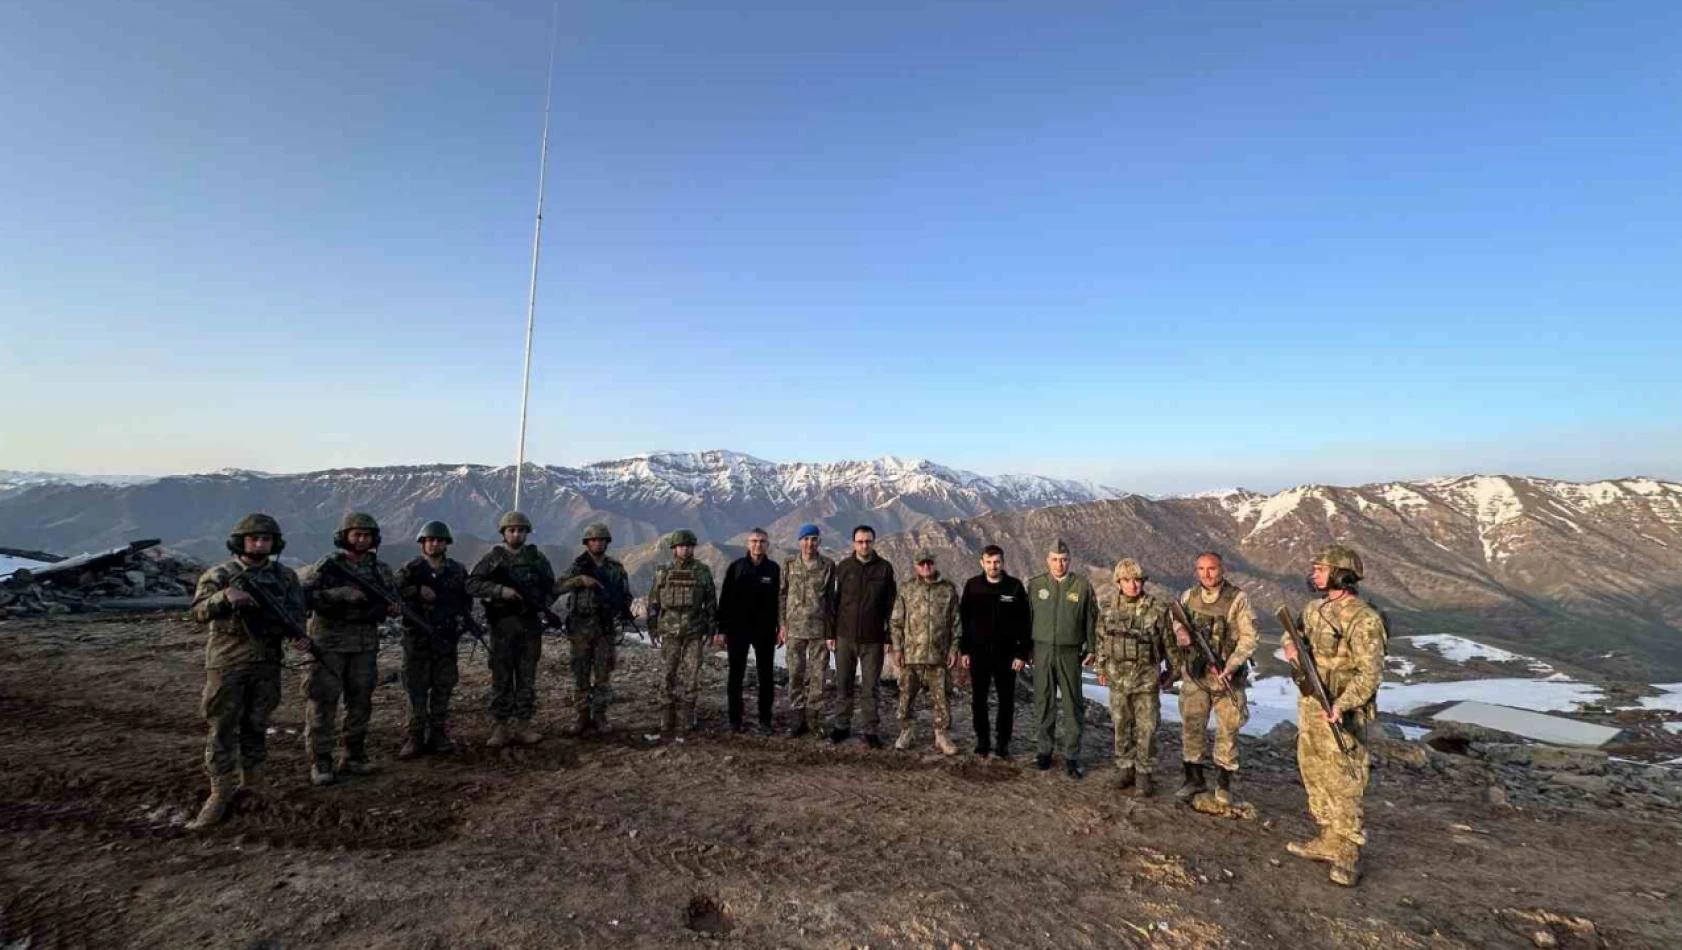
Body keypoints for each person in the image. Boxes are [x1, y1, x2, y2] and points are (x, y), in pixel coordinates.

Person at [185, 513, 307, 829]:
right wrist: (224, 597)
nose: (259, 543)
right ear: (240, 542)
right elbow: (197, 611)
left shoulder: (285, 577)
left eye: (265, 539)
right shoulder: (220, 575)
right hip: (227, 661)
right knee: (223, 725)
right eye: (253, 538)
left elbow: (295, 615)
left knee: (257, 722)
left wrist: (299, 636)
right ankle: (220, 791)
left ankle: (254, 781)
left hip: (266, 661)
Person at [1283, 545, 1387, 887]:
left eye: (1320, 568)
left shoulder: (1364, 618)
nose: (1314, 574)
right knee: (1313, 769)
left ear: (1342, 574)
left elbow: (1369, 673)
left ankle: (1348, 849)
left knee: (1345, 777)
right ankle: (1327, 836)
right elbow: (1293, 632)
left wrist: (1343, 704)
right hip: (1312, 703)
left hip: (1342, 709)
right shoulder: (1314, 609)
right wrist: (1289, 646)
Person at [302, 512, 401, 785]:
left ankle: (354, 755)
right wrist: (340, 594)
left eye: (367, 535)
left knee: (360, 702)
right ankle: (321, 760)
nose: (361, 539)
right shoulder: (328, 565)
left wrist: (392, 608)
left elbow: (393, 599)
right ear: (344, 537)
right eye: (356, 534)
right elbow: (303, 596)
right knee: (323, 701)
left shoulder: (380, 569)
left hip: (364, 644)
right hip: (329, 643)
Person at [1172, 552, 1259, 804]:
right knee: (1192, 725)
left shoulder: (1237, 599)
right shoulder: (1189, 596)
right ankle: (1193, 779)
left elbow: (1249, 637)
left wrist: (1230, 666)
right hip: (1197, 676)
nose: (1206, 574)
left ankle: (1223, 784)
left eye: (1211, 569)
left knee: (1228, 729)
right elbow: (1175, 618)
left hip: (1226, 677)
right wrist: (1181, 633)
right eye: (1201, 569)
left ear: (1222, 569)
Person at [466, 511, 556, 748]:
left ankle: (524, 724)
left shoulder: (537, 559)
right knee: (502, 677)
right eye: (511, 530)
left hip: (529, 626)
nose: (516, 534)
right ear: (504, 533)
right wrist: (500, 591)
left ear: (527, 533)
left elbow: (550, 587)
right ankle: (500, 726)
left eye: (521, 530)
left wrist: (541, 606)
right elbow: (472, 584)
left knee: (526, 677)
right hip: (503, 626)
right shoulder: (493, 559)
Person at [1095, 558, 1173, 796]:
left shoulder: (1156, 609)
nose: (1133, 585)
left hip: (1146, 681)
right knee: (1121, 725)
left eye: (1137, 580)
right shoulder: (1107, 609)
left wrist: (1172, 671)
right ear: (1119, 582)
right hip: (1118, 681)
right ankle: (1124, 768)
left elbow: (1169, 644)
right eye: (1127, 580)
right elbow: (1101, 641)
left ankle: (1144, 773)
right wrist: (1100, 669)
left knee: (1147, 728)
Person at [394, 520, 471, 758]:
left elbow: (465, 601)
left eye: (439, 540)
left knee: (443, 687)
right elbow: (392, 593)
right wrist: (416, 592)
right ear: (422, 543)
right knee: (416, 689)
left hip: (445, 639)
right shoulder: (411, 569)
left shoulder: (457, 570)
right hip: (416, 639)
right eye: (430, 540)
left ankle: (438, 733)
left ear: (446, 543)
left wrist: (460, 622)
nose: (435, 543)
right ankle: (415, 737)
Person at [1028, 539, 1099, 778]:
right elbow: (1027, 619)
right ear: (1048, 560)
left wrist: (1092, 646)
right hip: (1042, 650)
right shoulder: (1036, 585)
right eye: (1055, 559)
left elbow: (1091, 619)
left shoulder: (1081, 586)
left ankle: (1071, 755)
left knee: (1072, 704)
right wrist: (1026, 649)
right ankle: (1044, 751)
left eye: (1064, 559)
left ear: (1070, 561)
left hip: (1070, 652)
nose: (1060, 564)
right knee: (1044, 702)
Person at [554, 523, 633, 735]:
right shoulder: (578, 566)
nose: (598, 543)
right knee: (580, 673)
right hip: (580, 627)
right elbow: (557, 587)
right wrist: (579, 580)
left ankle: (600, 716)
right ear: (587, 543)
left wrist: (620, 610)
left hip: (604, 628)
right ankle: (581, 716)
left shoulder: (615, 569)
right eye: (594, 540)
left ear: (607, 543)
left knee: (602, 674)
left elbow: (625, 595)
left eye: (602, 540)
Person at [826, 525, 897, 748]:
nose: (864, 545)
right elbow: (833, 603)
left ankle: (870, 730)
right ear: (853, 543)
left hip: (873, 639)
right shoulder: (844, 567)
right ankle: (841, 726)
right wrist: (831, 633)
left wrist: (889, 638)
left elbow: (891, 606)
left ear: (874, 542)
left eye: (868, 541)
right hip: (844, 637)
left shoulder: (885, 569)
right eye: (860, 541)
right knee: (843, 684)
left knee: (870, 687)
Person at [958, 545, 1030, 759]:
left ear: (1003, 563)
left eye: (997, 562)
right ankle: (982, 740)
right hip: (979, 654)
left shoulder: (1014, 587)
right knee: (978, 699)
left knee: (1006, 700)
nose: (993, 566)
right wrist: (965, 650)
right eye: (988, 562)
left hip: (1006, 655)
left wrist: (1022, 654)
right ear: (982, 563)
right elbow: (964, 620)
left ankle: (1003, 742)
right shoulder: (972, 586)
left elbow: (1025, 623)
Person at [890, 549, 961, 754]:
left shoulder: (948, 589)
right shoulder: (907, 589)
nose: (926, 567)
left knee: (942, 699)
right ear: (915, 566)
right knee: (906, 697)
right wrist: (897, 649)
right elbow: (896, 622)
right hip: (912, 656)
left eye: (929, 563)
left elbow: (956, 623)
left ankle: (941, 735)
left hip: (938, 656)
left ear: (935, 563)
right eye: (921, 564)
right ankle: (906, 731)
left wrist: (954, 649)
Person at [647, 529, 718, 738]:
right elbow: (654, 601)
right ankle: (666, 715)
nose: (685, 549)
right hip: (669, 632)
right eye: (681, 546)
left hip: (694, 631)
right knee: (668, 673)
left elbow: (711, 602)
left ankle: (689, 714)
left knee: (692, 675)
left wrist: (712, 628)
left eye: (689, 546)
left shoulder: (702, 571)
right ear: (674, 548)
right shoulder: (663, 571)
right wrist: (652, 626)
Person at [719, 528, 782, 733]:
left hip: (764, 630)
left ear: (767, 545)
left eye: (762, 541)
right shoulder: (736, 567)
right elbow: (725, 600)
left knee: (766, 677)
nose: (758, 545)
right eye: (754, 541)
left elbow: (780, 601)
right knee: (736, 676)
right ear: (747, 543)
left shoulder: (773, 569)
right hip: (738, 630)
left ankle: (765, 720)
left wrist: (780, 627)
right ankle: (734, 720)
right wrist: (721, 629)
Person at [779, 524, 834, 738]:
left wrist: (831, 630)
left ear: (819, 541)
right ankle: (797, 717)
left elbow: (830, 600)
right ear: (799, 541)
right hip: (794, 630)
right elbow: (782, 596)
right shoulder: (790, 565)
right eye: (806, 539)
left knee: (819, 676)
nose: (809, 543)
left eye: (813, 539)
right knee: (795, 674)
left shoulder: (828, 565)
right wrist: (782, 624)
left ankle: (815, 719)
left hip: (819, 630)